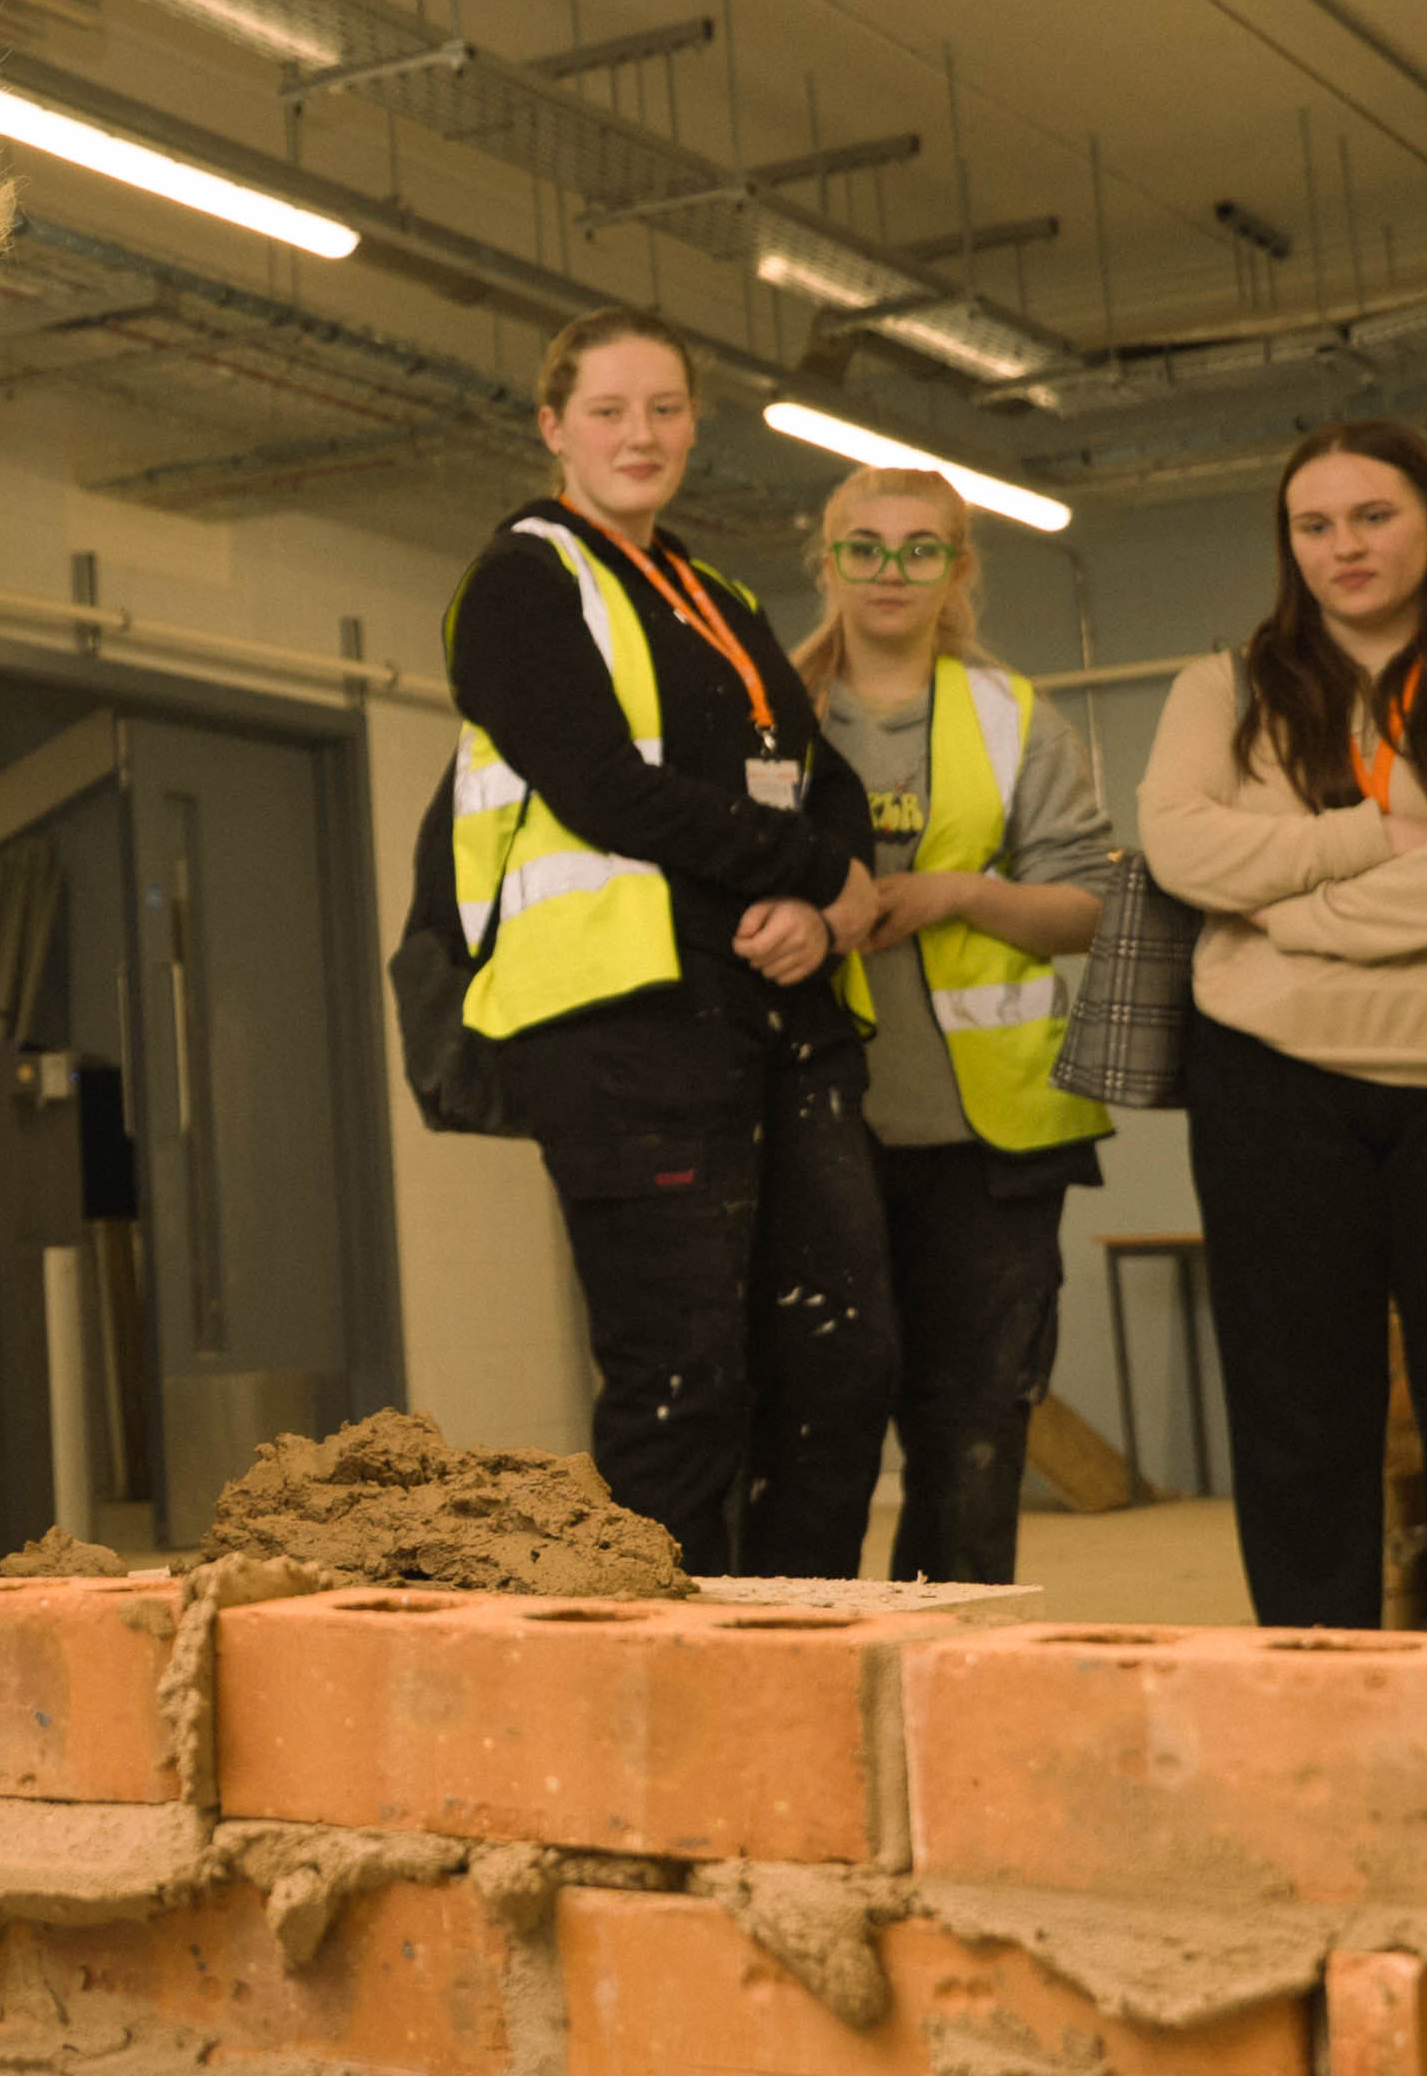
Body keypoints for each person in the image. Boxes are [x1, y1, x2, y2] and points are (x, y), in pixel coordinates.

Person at [440, 314, 897, 1578]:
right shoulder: (525, 582)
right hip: (628, 1029)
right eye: (607, 411)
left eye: (665, 410)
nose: (639, 435)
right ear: (553, 429)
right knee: (682, 1379)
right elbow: (600, 788)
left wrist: (831, 905)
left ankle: (799, 1646)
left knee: (838, 1360)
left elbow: (823, 778)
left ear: (694, 425)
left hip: (783, 1017)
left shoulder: (719, 598)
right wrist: (815, 872)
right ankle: (681, 1682)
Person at [1141, 418, 1427, 1632]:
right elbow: (1183, 848)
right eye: (1315, 524)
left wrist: (1290, 914)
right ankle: (1315, 1697)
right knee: (1297, 1428)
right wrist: (1364, 843)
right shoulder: (1215, 690)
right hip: (1275, 1090)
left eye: (1373, 516)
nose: (1345, 546)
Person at [798, 461, 1114, 1585]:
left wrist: (959, 893)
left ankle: (953, 1673)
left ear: (959, 568)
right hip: (814, 1133)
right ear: (826, 561)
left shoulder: (1013, 716)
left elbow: (1090, 905)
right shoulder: (765, 712)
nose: (891, 571)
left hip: (993, 1144)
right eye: (864, 546)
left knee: (973, 1437)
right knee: (816, 1432)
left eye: (921, 547)